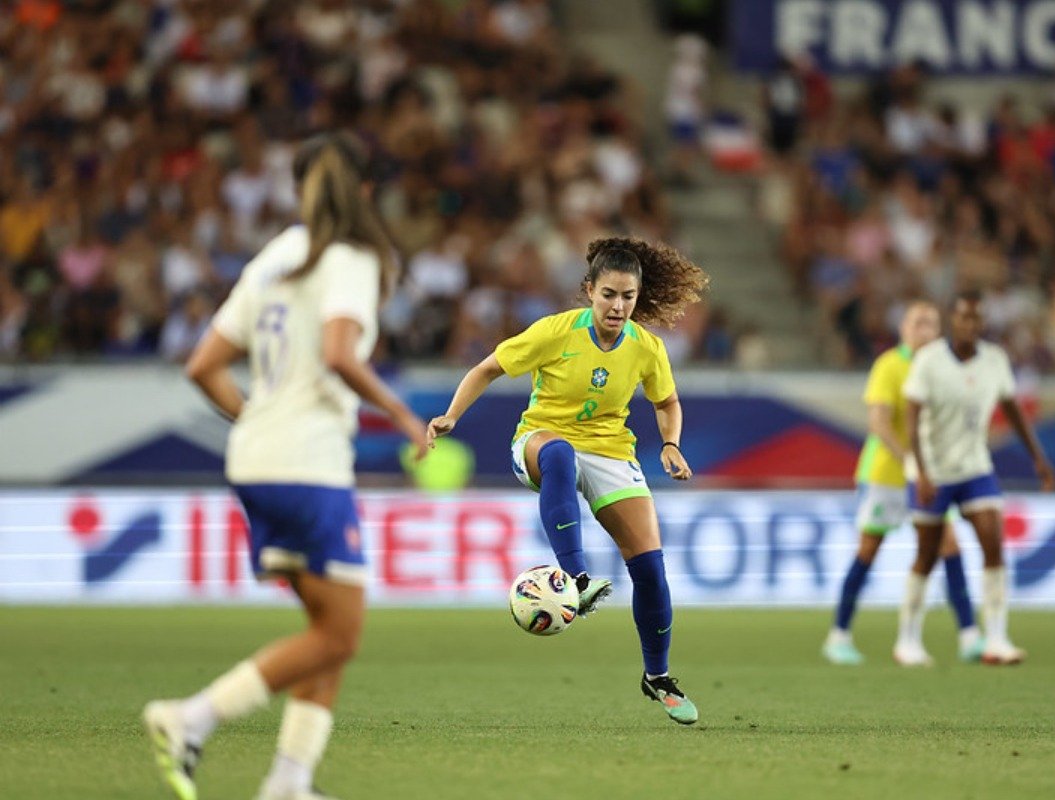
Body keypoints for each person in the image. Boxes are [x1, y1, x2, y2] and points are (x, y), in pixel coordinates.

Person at [143, 132, 428, 800]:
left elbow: (202, 365)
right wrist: (401, 413)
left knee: (328, 632)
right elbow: (339, 351)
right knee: (342, 634)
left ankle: (289, 782)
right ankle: (190, 718)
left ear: (301, 189)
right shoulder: (352, 256)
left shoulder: (274, 256)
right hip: (307, 463)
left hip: (257, 457)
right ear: (365, 190)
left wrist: (258, 422)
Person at [427, 235, 709, 725]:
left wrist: (670, 443)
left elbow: (666, 402)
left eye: (628, 297)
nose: (618, 306)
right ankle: (576, 579)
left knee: (650, 571)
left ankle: (657, 676)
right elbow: (487, 368)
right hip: (541, 440)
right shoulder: (555, 332)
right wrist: (452, 415)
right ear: (589, 290)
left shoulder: (647, 347)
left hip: (610, 451)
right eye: (609, 295)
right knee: (559, 453)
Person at [823, 300, 984, 667]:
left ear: (939, 331)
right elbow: (879, 422)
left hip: (929, 477)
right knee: (869, 550)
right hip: (887, 476)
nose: (923, 329)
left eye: (930, 323)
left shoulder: (946, 370)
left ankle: (970, 635)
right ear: (904, 329)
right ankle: (839, 634)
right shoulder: (890, 365)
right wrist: (911, 461)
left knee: (949, 544)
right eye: (916, 322)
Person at [900, 290, 1055, 666]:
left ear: (982, 322)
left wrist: (1038, 458)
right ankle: (907, 640)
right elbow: (911, 418)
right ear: (952, 320)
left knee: (993, 542)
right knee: (926, 555)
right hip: (932, 471)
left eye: (976, 318)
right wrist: (922, 472)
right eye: (963, 317)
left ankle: (997, 639)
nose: (969, 324)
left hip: (974, 468)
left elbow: (1012, 410)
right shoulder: (930, 360)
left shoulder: (995, 360)